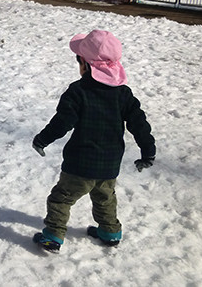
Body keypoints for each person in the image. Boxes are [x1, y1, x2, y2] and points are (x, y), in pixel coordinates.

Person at [31, 30, 156, 253]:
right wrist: (148, 152)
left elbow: (62, 122)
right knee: (105, 198)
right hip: (109, 165)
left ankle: (53, 235)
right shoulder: (123, 94)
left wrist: (42, 139)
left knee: (61, 199)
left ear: (86, 65)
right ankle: (110, 232)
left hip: (79, 164)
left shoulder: (78, 91)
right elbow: (140, 124)